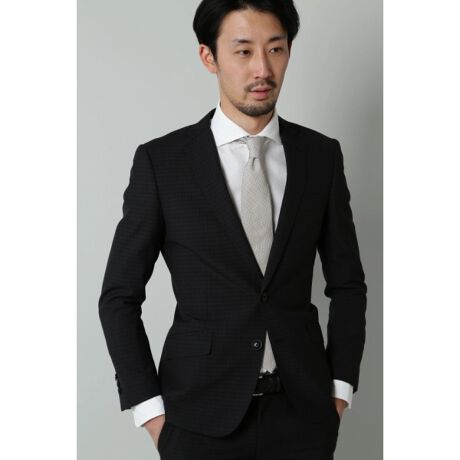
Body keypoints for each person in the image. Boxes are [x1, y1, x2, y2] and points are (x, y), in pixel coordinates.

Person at [98, 1, 367, 458]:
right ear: (209, 57)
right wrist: (151, 412)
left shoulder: (321, 156)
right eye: (243, 51)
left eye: (276, 49)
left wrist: (339, 391)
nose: (263, 69)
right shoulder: (163, 163)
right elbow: (119, 296)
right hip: (197, 420)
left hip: (304, 418)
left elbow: (347, 284)